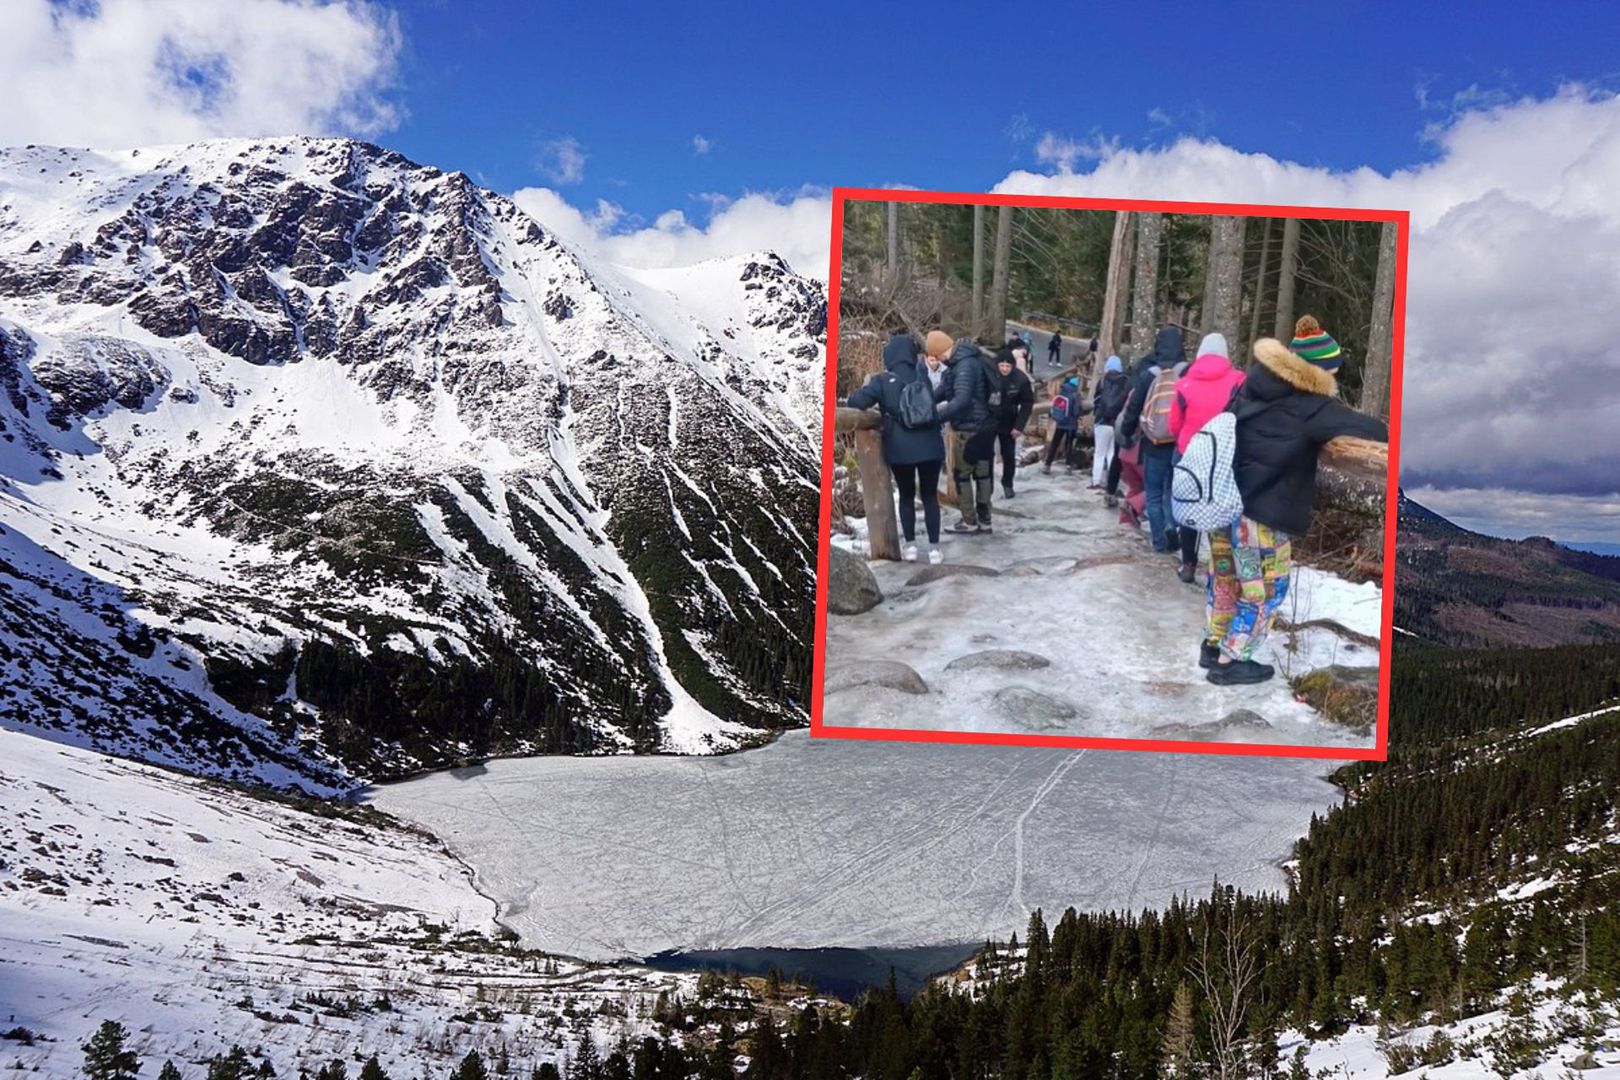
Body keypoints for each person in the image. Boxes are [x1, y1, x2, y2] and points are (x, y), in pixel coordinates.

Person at [1202, 327, 1388, 685]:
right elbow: (1373, 430)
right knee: (1264, 590)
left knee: (1225, 579)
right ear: (1317, 371)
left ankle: (1212, 646)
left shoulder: (1249, 386)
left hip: (1223, 507)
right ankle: (1230, 660)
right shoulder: (1311, 406)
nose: (1335, 375)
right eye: (1332, 368)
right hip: (1260, 518)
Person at [846, 328, 946, 563]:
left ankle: (910, 547)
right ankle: (934, 549)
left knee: (907, 495)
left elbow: (857, 401)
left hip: (901, 450)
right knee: (930, 496)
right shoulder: (923, 377)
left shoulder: (882, 381)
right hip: (931, 447)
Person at [1166, 333, 1246, 583]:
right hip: (1223, 458)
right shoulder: (1239, 380)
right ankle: (1220, 570)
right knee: (1219, 513)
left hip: (1188, 455)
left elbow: (1173, 424)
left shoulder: (1184, 383)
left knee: (1189, 509)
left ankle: (1188, 564)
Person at [1115, 325, 1186, 553]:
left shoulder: (1149, 374)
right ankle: (1171, 526)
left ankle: (1158, 541)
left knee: (1153, 492)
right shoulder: (1187, 372)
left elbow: (1133, 409)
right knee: (1171, 491)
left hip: (1153, 443)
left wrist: (1125, 432)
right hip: (1180, 443)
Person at [933, 331, 1002, 534]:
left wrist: (934, 418)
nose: (938, 360)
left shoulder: (964, 367)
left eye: (937, 355)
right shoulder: (969, 360)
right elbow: (942, 393)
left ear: (942, 350)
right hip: (987, 427)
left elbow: (961, 402)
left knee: (962, 476)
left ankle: (969, 521)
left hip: (969, 429)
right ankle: (985, 520)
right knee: (983, 474)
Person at [993, 348, 1034, 497]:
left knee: (1008, 455)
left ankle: (1008, 483)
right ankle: (986, 483)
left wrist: (1019, 426)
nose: (1004, 369)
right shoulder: (990, 374)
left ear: (1013, 366)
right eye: (1001, 366)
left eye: (1007, 366)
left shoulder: (1020, 379)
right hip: (990, 418)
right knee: (984, 453)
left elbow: (1027, 403)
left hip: (1009, 421)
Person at [1090, 355, 1129, 489]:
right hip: (1117, 423)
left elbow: (1096, 401)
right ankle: (1110, 483)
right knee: (1112, 453)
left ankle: (1096, 481)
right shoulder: (1125, 382)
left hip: (1101, 421)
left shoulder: (1102, 382)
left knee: (1099, 453)